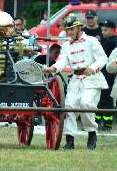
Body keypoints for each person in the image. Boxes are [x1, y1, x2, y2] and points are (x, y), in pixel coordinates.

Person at [45, 15, 108, 150]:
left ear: (79, 27)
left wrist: (92, 68)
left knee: (85, 104)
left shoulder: (91, 41)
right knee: (69, 106)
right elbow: (62, 60)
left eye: (72, 29)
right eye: (67, 30)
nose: (69, 32)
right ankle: (70, 140)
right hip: (75, 79)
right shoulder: (67, 45)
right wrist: (54, 68)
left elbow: (103, 58)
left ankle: (92, 133)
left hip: (92, 79)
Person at [95, 20, 117, 131]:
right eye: (102, 30)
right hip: (104, 72)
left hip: (108, 73)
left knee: (106, 99)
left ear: (113, 30)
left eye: (106, 30)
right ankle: (99, 123)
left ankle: (107, 124)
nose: (103, 32)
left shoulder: (112, 42)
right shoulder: (108, 40)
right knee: (102, 98)